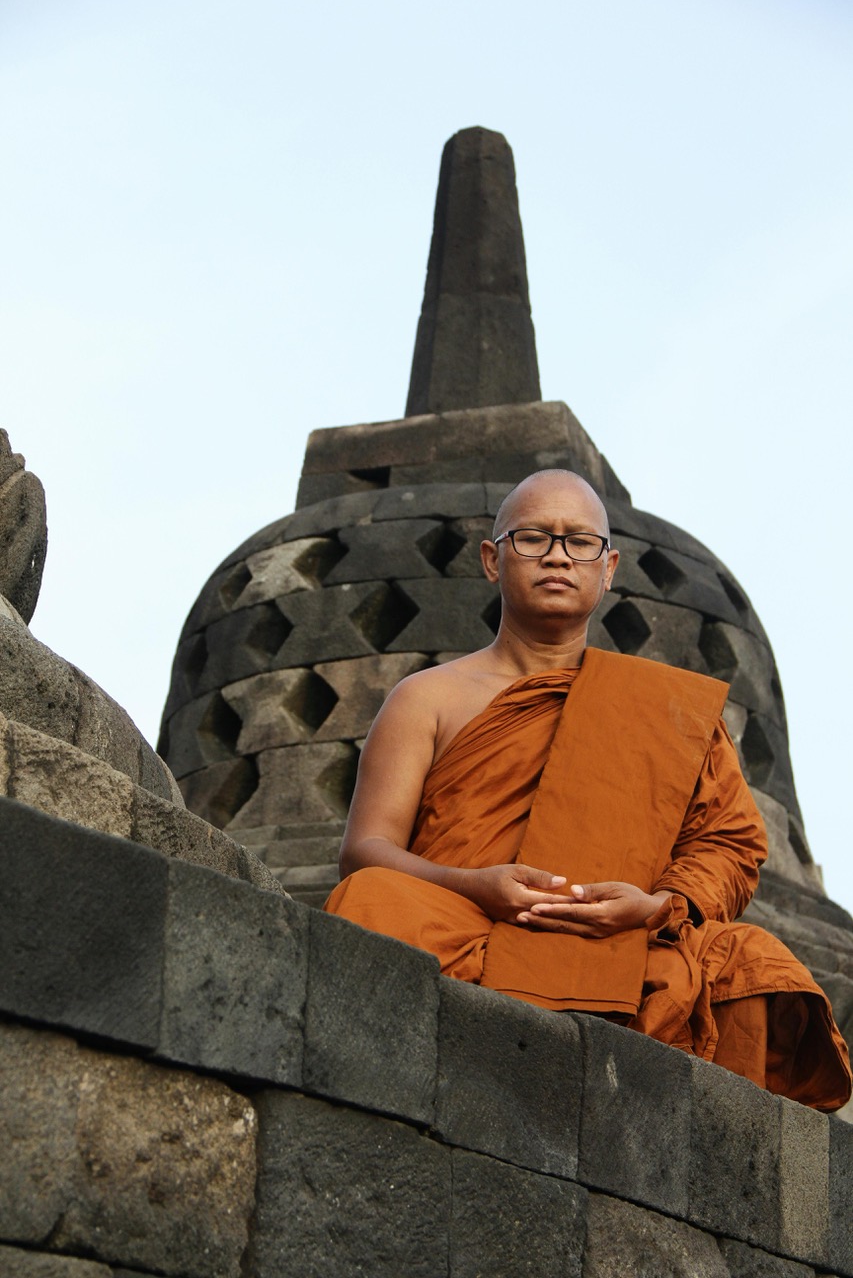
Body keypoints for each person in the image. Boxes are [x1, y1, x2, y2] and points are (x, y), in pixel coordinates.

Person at [324, 469, 852, 1110]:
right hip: (470, 925)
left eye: (579, 542)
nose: (556, 554)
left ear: (608, 569)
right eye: (533, 538)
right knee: (374, 901)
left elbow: (730, 846)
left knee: (749, 966)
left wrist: (655, 906)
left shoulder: (671, 710)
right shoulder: (427, 699)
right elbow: (366, 851)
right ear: (493, 560)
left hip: (624, 943)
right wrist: (477, 885)